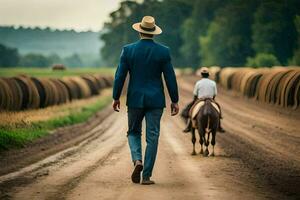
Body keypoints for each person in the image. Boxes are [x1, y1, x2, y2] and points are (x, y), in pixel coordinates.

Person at [112, 16, 179, 185]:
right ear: (153, 32)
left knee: (133, 132)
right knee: (153, 137)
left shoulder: (128, 50)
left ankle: (137, 160)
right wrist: (175, 100)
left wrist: (116, 96)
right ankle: (147, 176)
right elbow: (170, 77)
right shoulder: (163, 51)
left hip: (135, 99)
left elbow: (120, 75)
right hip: (156, 100)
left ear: (140, 31)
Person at [183, 67, 225, 133]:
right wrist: (212, 100)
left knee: (191, 111)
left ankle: (188, 126)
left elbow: (195, 94)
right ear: (208, 75)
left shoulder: (198, 83)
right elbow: (214, 94)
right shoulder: (213, 83)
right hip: (211, 99)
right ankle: (219, 125)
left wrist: (194, 101)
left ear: (201, 74)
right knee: (218, 109)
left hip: (200, 99)